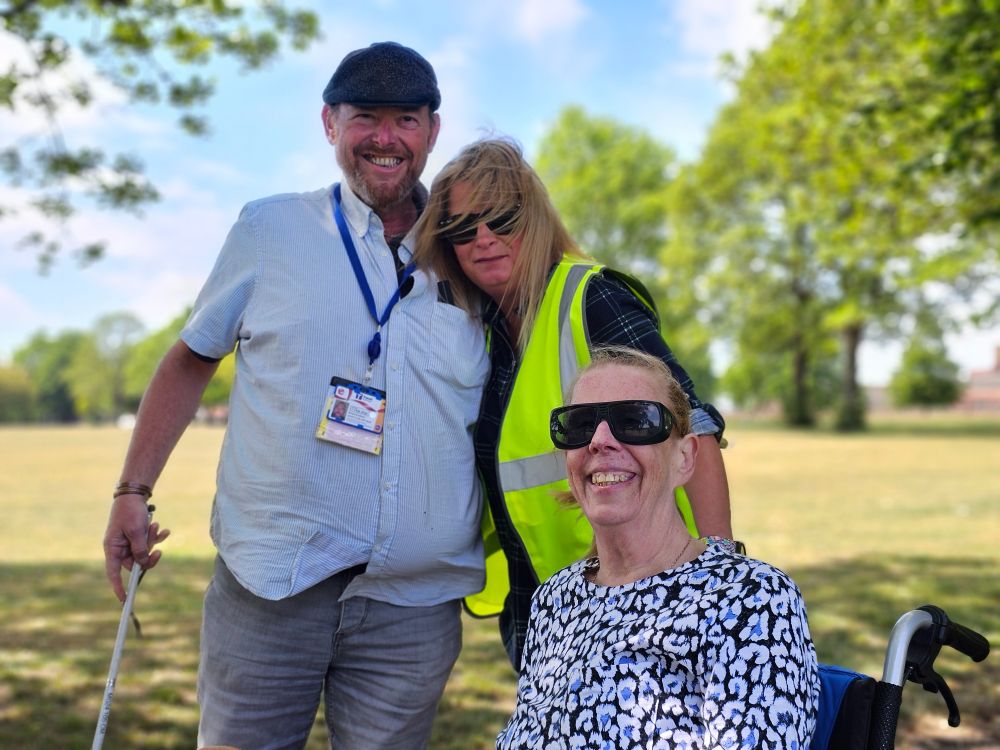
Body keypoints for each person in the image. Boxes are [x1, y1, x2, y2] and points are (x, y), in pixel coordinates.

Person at [102, 42, 489, 749]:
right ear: (328, 124)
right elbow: (189, 361)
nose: (384, 138)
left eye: (405, 119)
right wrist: (133, 489)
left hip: (414, 607)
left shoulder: (473, 248)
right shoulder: (269, 230)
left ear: (432, 130)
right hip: (269, 593)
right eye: (363, 117)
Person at [413, 138, 732, 670]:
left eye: (501, 219)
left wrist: (718, 582)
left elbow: (691, 426)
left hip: (642, 603)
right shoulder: (488, 336)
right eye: (463, 228)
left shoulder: (592, 298)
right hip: (545, 613)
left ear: (534, 218)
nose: (484, 239)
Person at [496, 346, 820, 748]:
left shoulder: (748, 599)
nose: (599, 440)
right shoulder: (554, 599)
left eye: (635, 420)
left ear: (685, 458)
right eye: (578, 423)